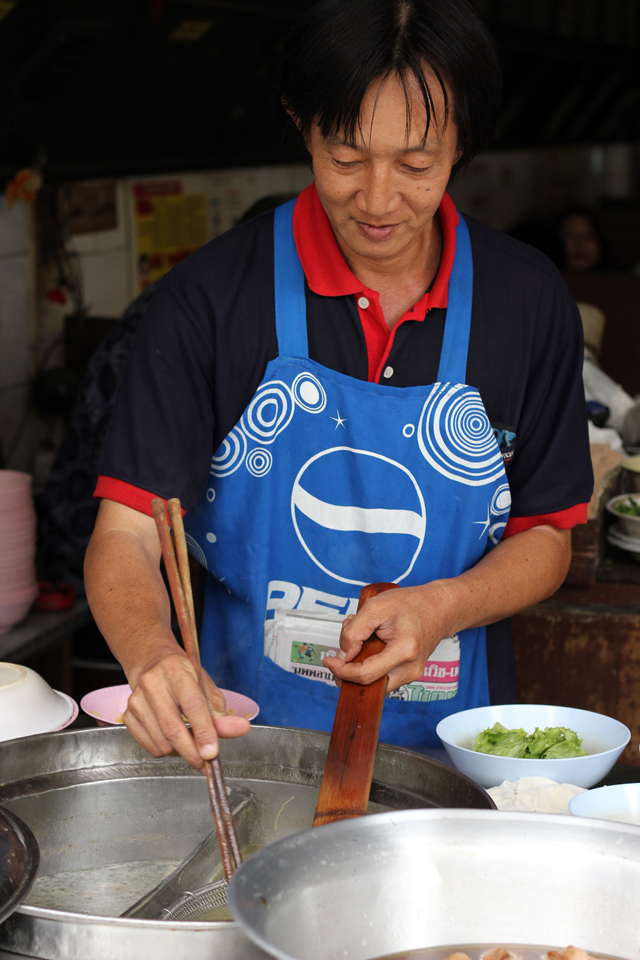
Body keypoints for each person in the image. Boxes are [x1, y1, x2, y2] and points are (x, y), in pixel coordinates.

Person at [85, 0, 593, 770]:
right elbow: (125, 533)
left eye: (417, 164)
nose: (380, 199)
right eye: (347, 158)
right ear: (301, 121)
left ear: (465, 142)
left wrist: (442, 605)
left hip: (452, 761)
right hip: (239, 751)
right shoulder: (212, 299)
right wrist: (152, 655)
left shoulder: (525, 302)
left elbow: (547, 535)